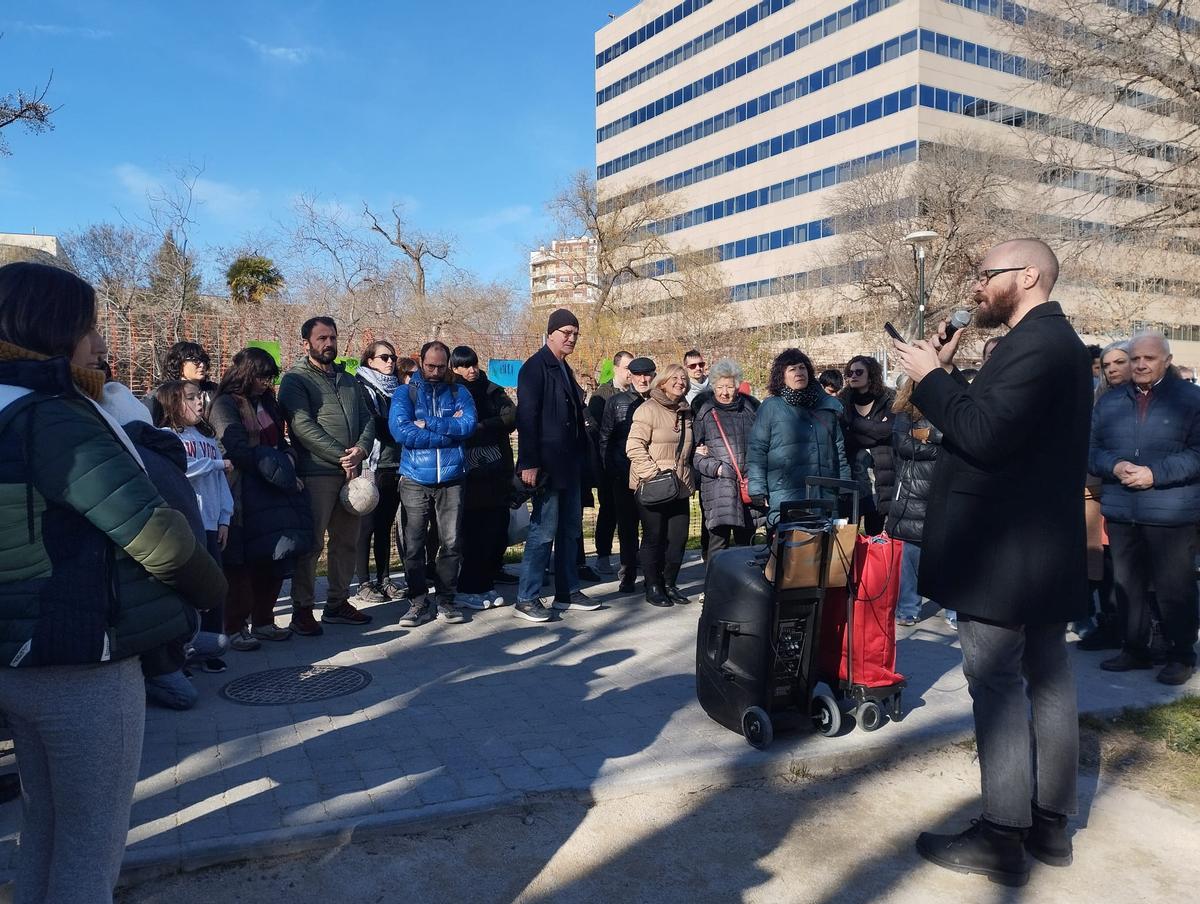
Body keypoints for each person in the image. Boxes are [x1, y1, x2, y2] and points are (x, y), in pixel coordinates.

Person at [0, 261, 227, 903]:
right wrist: (212, 595)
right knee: (89, 851)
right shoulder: (56, 416)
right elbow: (155, 531)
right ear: (53, 330)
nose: (100, 345)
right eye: (90, 327)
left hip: (15, 656)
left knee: (43, 830)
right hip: (78, 656)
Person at [892, 238, 1091, 886]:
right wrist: (946, 378)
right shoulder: (1049, 344)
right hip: (1033, 552)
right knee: (1049, 680)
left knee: (1001, 686)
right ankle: (1050, 827)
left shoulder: (1039, 343)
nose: (977, 286)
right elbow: (994, 422)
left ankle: (1003, 836)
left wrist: (930, 377)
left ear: (1028, 276)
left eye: (987, 275)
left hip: (1004, 555)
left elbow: (981, 435)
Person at [1091, 332, 1200, 685]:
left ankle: (1181, 653)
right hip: (1123, 509)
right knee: (1127, 585)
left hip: (1171, 512)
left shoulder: (1190, 399)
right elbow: (1092, 451)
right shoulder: (1109, 403)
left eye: (1149, 359)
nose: (1140, 364)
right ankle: (1134, 649)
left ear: (1166, 361)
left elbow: (1197, 454)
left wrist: (1155, 474)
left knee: (1175, 587)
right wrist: (1116, 467)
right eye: (1135, 358)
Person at [210, 348, 311, 648]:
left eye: (270, 377)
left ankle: (264, 621)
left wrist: (289, 457)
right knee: (240, 561)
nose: (266, 382)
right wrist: (276, 465)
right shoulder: (224, 403)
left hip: (274, 488)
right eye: (261, 375)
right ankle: (234, 625)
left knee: (275, 554)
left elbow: (281, 441)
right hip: (240, 489)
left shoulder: (268, 402)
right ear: (245, 373)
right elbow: (236, 447)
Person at [514, 308, 598, 621]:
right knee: (543, 532)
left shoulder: (565, 368)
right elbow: (527, 419)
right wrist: (529, 463)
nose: (572, 338)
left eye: (575, 333)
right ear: (551, 333)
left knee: (570, 530)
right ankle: (527, 596)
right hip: (547, 465)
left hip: (571, 465)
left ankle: (567, 591)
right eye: (566, 333)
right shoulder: (535, 368)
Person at [388, 341, 477, 627]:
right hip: (415, 477)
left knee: (450, 542)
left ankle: (446, 599)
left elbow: (468, 427)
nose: (436, 372)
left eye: (441, 366)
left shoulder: (459, 391)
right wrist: (449, 430)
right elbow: (402, 433)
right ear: (421, 362)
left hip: (452, 478)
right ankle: (417, 600)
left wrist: (429, 423)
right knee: (413, 544)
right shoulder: (405, 393)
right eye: (430, 366)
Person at [154, 380, 235, 672]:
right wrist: (218, 465)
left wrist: (225, 517)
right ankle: (182, 651)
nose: (200, 402)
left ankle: (210, 648)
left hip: (212, 525)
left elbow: (220, 484)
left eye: (200, 396)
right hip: (187, 524)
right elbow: (183, 468)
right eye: (190, 398)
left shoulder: (209, 441)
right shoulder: (164, 437)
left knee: (214, 587)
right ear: (172, 403)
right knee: (187, 590)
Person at [747, 348, 850, 526]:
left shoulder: (826, 406)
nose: (799, 373)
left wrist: (845, 483)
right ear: (782, 376)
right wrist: (757, 488)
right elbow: (757, 449)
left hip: (824, 493)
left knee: (825, 550)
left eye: (802, 368)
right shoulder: (771, 407)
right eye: (792, 369)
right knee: (790, 550)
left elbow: (838, 447)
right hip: (786, 494)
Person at [1077, 340, 1132, 651]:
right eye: (1106, 365)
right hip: (1101, 494)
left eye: (1118, 363)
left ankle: (1148, 635)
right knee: (1104, 565)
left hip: (1138, 497)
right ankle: (1111, 627)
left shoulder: (1153, 400)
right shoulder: (1100, 401)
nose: (1111, 370)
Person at [451, 345, 515, 611]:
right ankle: (468, 588)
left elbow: (510, 416)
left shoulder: (492, 390)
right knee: (473, 534)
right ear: (454, 369)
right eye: (465, 365)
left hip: (497, 472)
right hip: (468, 475)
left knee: (496, 530)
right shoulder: (451, 392)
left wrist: (481, 426)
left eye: (474, 364)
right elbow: (454, 424)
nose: (472, 370)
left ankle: (485, 583)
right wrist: (478, 426)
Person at [627, 364, 695, 606]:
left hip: (681, 485)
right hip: (653, 484)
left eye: (684, 378)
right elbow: (633, 446)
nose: (680, 381)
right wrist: (653, 474)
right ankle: (653, 585)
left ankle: (669, 583)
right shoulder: (647, 410)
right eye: (675, 378)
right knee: (654, 537)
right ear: (663, 382)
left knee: (678, 538)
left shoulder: (686, 411)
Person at [885, 377, 950, 628]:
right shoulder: (905, 414)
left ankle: (954, 611)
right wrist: (941, 444)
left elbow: (960, 440)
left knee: (947, 554)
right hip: (913, 491)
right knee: (911, 555)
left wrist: (929, 436)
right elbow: (905, 446)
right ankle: (908, 608)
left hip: (942, 489)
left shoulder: (949, 410)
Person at [354, 340, 404, 604]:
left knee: (386, 525)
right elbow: (375, 423)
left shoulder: (399, 389)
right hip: (369, 464)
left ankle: (384, 579)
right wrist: (403, 426)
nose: (390, 362)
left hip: (395, 463)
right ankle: (363, 582)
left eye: (392, 357)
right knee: (366, 525)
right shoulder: (360, 387)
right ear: (369, 361)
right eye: (384, 357)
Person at [692, 359, 759, 559]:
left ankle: (743, 588)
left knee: (746, 543)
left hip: (746, 485)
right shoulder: (705, 413)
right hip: (718, 486)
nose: (725, 392)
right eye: (720, 387)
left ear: (737, 386)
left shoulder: (749, 411)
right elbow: (695, 457)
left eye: (729, 386)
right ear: (713, 386)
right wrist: (716, 468)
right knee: (718, 545)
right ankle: (714, 588)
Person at [599, 356, 654, 593]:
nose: (643, 379)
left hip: (652, 476)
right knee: (627, 528)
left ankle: (653, 574)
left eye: (647, 374)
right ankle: (628, 573)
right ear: (629, 376)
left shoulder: (658, 402)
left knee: (652, 528)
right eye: (638, 374)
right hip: (622, 475)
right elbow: (605, 437)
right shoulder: (616, 402)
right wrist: (611, 470)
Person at [839, 355, 896, 535]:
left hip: (881, 473)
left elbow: (888, 431)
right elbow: (844, 437)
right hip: (852, 474)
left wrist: (854, 425)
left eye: (858, 372)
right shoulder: (842, 401)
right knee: (848, 534)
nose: (853, 376)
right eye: (849, 373)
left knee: (875, 531)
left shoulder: (888, 398)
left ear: (870, 375)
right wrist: (875, 432)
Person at [588, 350, 633, 575]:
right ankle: (603, 554)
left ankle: (631, 556)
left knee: (632, 511)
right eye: (627, 368)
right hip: (608, 461)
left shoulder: (637, 393)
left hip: (632, 461)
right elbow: (596, 431)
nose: (631, 373)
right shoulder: (603, 395)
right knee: (608, 509)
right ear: (616, 368)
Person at [145, 340, 219, 422]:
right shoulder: (161, 397)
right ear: (178, 363)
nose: (202, 365)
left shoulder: (216, 392)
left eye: (204, 360)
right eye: (195, 361)